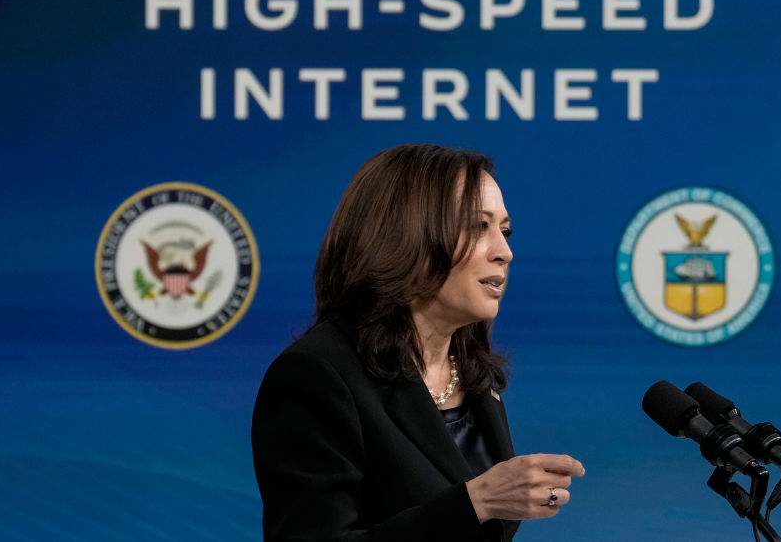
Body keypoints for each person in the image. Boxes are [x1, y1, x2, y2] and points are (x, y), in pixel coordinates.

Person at [251, 143, 585, 541]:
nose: (505, 252)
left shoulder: (472, 372)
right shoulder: (317, 376)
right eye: (479, 227)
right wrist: (475, 503)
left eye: (505, 230)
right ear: (404, 236)